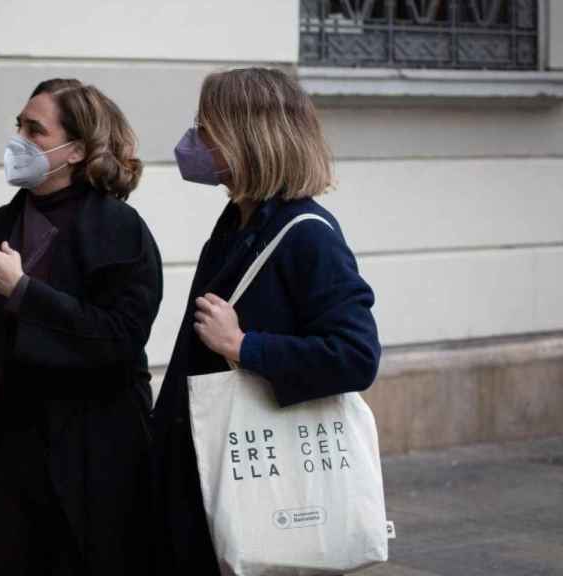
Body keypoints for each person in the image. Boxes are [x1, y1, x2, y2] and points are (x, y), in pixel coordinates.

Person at [152, 67, 381, 574]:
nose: (195, 140)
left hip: (256, 478)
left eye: (206, 126)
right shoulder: (240, 219)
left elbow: (356, 356)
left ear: (245, 136)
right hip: (204, 466)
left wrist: (243, 345)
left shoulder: (308, 234)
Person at [0, 78, 163, 576]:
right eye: (19, 124)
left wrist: (24, 293)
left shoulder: (119, 229)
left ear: (76, 149)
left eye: (35, 129)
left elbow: (119, 339)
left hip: (84, 470)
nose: (19, 138)